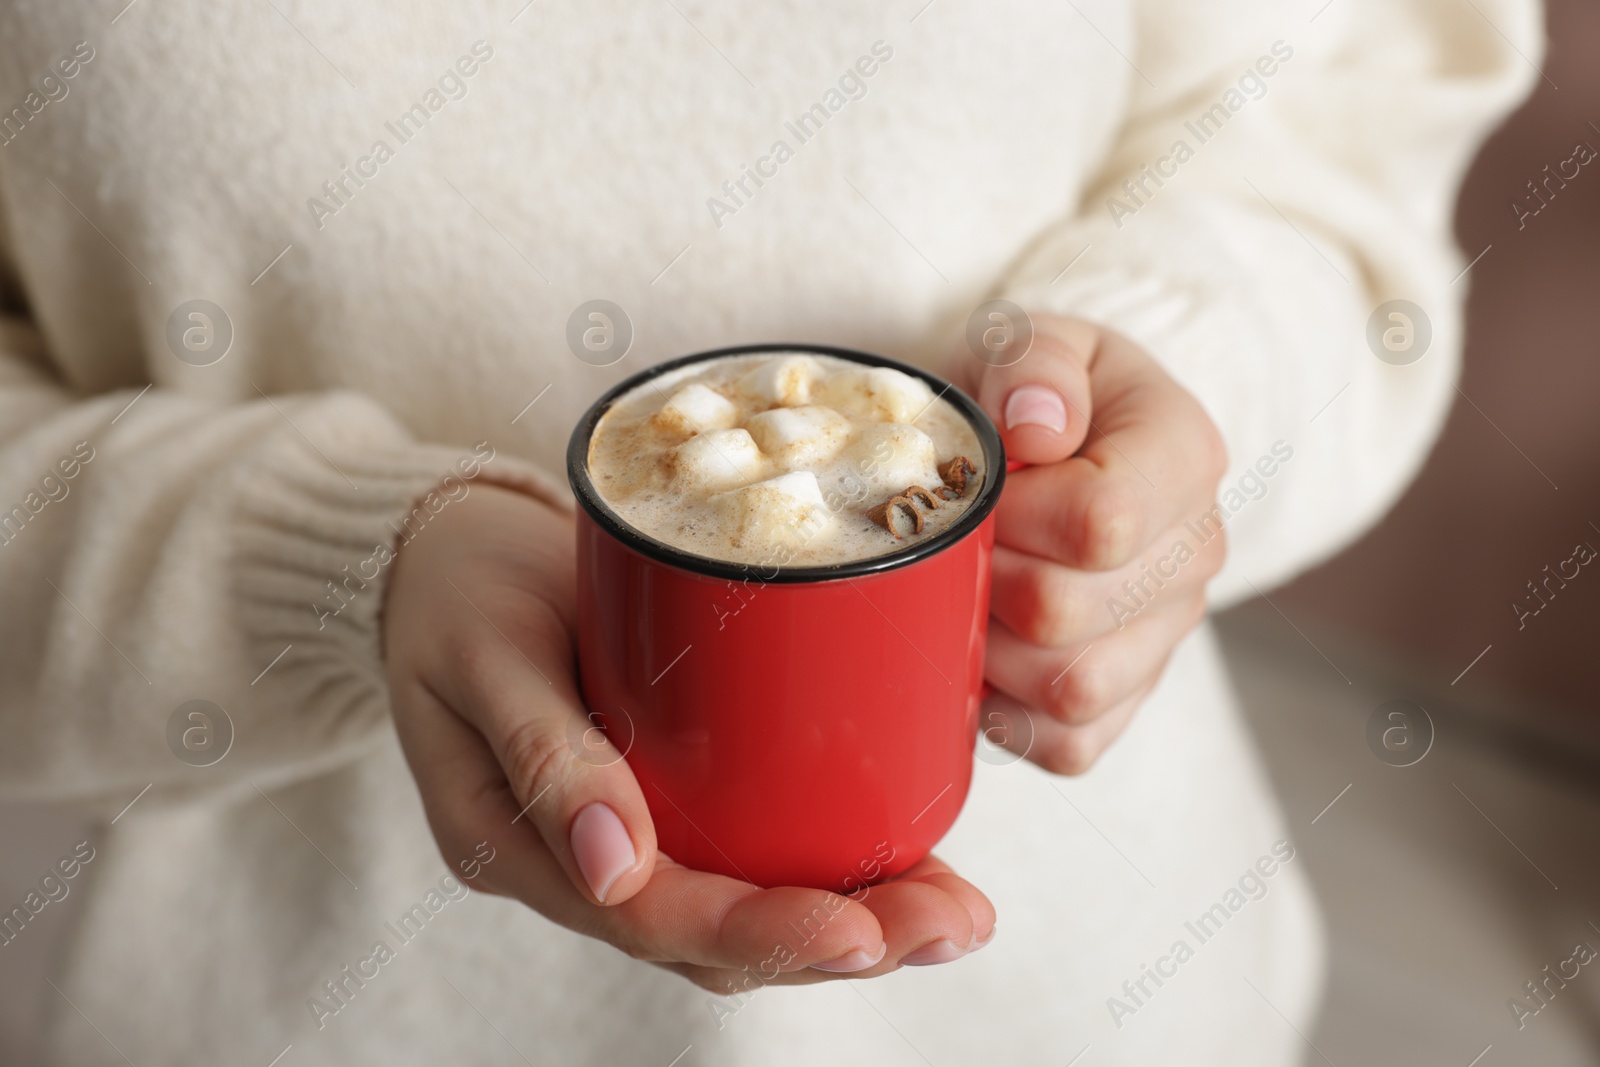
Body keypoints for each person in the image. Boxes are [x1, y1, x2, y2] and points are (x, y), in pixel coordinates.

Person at [0, 1, 1537, 1063]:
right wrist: (334, 559)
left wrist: (1170, 362)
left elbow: (1330, 124)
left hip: (1077, 989)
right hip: (255, 1001)